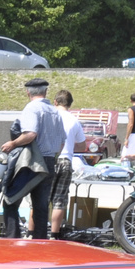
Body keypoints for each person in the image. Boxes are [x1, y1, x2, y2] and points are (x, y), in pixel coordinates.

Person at [0, 78, 65, 238]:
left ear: (28, 92)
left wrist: (12, 143)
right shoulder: (55, 111)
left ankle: (12, 239)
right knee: (41, 206)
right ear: (46, 92)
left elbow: (30, 134)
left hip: (32, 162)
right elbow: (62, 142)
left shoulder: (32, 108)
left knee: (10, 199)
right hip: (50, 161)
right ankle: (39, 243)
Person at [51, 88, 85, 236]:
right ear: (69, 104)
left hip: (49, 159)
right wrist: (70, 144)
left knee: (39, 200)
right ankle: (54, 235)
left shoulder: (49, 117)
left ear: (55, 102)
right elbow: (83, 145)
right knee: (59, 201)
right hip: (66, 160)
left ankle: (32, 233)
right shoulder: (74, 120)